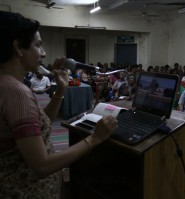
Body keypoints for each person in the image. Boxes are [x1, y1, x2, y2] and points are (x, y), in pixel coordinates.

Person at [0, 11, 118, 198]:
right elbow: (42, 165)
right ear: (18, 47)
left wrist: (60, 91)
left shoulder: (7, 85)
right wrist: (94, 138)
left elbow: (39, 125)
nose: (44, 53)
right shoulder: (17, 92)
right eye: (38, 45)